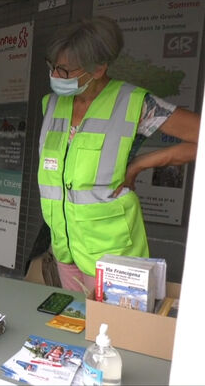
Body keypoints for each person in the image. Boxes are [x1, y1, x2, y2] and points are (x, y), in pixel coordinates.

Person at [39, 16, 199, 292]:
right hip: (66, 248)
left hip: (111, 255)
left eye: (65, 71)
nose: (55, 77)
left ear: (98, 69)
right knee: (74, 327)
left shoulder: (134, 103)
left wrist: (140, 165)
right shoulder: (51, 104)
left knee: (111, 331)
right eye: (53, 67)